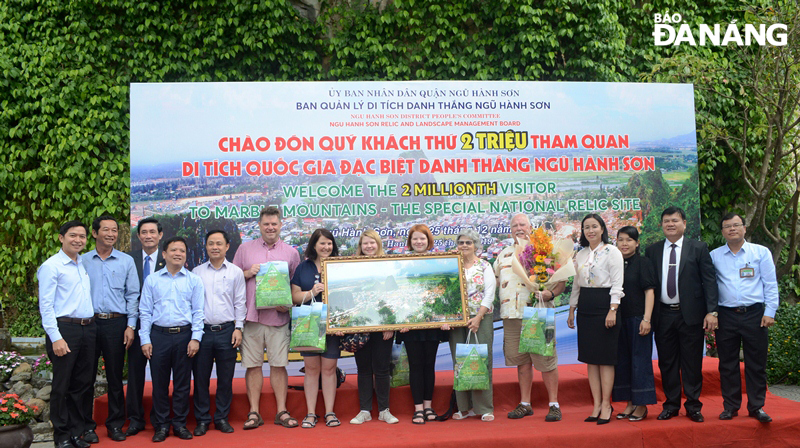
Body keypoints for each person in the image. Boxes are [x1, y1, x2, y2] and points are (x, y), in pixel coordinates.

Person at [644, 206, 718, 422]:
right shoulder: (653, 250)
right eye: (666, 220)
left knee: (692, 362)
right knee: (667, 362)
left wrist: (712, 311)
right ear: (661, 225)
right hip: (663, 315)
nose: (670, 224)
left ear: (684, 223)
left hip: (691, 316)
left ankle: (694, 406)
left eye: (675, 220)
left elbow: (709, 282)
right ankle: (671, 405)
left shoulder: (698, 248)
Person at [232, 206, 302, 430]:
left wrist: (288, 303)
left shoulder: (291, 253)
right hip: (251, 318)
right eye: (266, 224)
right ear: (259, 226)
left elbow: (295, 287)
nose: (270, 227)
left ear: (281, 225)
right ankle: (254, 412)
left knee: (279, 365)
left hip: (278, 318)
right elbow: (231, 280)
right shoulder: (244, 250)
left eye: (274, 224)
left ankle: (281, 410)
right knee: (252, 366)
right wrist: (246, 273)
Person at [493, 214, 565, 422]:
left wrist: (550, 294)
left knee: (547, 361)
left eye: (522, 224)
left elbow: (561, 282)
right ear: (510, 230)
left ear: (531, 227)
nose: (518, 228)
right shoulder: (503, 255)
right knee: (522, 362)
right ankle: (525, 404)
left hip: (538, 312)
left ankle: (554, 404)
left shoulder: (545, 251)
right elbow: (493, 284)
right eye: (514, 225)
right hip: (511, 315)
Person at [711, 212, 778, 423]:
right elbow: (709, 287)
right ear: (722, 232)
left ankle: (757, 406)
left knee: (756, 363)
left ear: (744, 228)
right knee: (727, 364)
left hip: (755, 315)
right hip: (726, 316)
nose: (732, 229)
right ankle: (730, 407)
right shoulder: (714, 256)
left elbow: (770, 283)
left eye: (736, 225)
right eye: (727, 226)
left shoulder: (760, 252)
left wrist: (770, 312)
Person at [139, 236, 205, 442]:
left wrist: (196, 338)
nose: (178, 254)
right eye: (174, 250)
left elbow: (198, 312)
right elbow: (145, 312)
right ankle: (161, 425)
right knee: (159, 384)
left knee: (182, 384)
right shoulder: (152, 280)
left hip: (185, 336)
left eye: (182, 251)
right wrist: (145, 339)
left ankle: (179, 424)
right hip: (158, 336)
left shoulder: (194, 280)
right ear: (164, 254)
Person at [39, 220, 97, 448]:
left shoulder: (81, 264)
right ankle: (61, 436)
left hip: (87, 328)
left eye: (82, 237)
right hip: (65, 330)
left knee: (81, 384)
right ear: (61, 238)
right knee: (62, 387)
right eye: (73, 235)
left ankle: (76, 432)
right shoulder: (51, 266)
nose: (78, 240)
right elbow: (46, 306)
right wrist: (56, 337)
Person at [82, 215, 140, 442]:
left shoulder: (126, 261)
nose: (111, 234)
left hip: (117, 323)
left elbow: (133, 295)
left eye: (114, 230)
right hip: (88, 324)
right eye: (105, 230)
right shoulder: (82, 261)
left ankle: (115, 425)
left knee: (115, 377)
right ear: (95, 233)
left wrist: (130, 325)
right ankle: (86, 427)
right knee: (85, 377)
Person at [566, 214, 624, 425]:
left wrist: (613, 309)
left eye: (594, 227)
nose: (590, 231)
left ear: (602, 229)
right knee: (591, 358)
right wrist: (572, 309)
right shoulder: (580, 254)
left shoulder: (613, 252)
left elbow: (618, 284)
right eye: (586, 227)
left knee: (605, 359)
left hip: (605, 305)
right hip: (586, 307)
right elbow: (576, 285)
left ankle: (607, 405)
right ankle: (596, 404)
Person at [191, 230, 246, 435]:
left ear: (227, 246)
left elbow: (240, 302)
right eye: (211, 243)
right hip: (202, 332)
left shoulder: (235, 272)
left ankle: (222, 417)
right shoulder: (196, 272)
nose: (215, 247)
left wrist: (238, 328)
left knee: (225, 378)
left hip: (227, 331)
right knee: (201, 378)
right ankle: (203, 419)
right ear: (206, 246)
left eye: (219, 244)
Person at [395, 224, 450, 424]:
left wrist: (446, 319)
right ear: (410, 242)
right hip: (409, 324)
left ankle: (428, 407)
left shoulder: (438, 263)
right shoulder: (402, 264)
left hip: (432, 323)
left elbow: (444, 291)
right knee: (416, 365)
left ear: (429, 241)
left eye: (423, 239)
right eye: (415, 239)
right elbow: (397, 294)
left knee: (429, 365)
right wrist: (401, 320)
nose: (419, 242)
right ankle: (418, 409)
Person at [291, 228, 344, 428]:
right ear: (314, 245)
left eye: (329, 243)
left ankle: (330, 412)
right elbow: (294, 297)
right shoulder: (303, 268)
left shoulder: (339, 265)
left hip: (332, 323)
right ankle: (311, 413)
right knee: (312, 369)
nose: (326, 247)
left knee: (329, 369)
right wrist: (311, 292)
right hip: (310, 323)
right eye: (322, 243)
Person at [349, 229, 399, 425]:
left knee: (382, 369)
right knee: (363, 369)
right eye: (365, 244)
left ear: (378, 244)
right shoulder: (352, 267)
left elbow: (395, 299)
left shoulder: (388, 267)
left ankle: (384, 410)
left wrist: (390, 324)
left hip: (383, 327)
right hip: (360, 326)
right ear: (360, 247)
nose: (369, 246)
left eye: (372, 243)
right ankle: (365, 411)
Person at [448, 228, 496, 422]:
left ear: (476, 245)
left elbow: (490, 294)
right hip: (456, 321)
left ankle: (484, 408)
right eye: (461, 242)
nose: (465, 246)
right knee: (460, 363)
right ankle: (463, 407)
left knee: (481, 361)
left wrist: (478, 317)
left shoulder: (484, 266)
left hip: (481, 319)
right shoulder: (452, 266)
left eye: (469, 242)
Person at [611, 226, 657, 421]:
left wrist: (647, 319)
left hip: (638, 318)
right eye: (620, 240)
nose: (624, 243)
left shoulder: (643, 263)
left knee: (640, 361)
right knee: (623, 362)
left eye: (629, 240)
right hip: (619, 319)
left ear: (637, 243)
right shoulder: (615, 263)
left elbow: (650, 291)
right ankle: (629, 403)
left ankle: (642, 405)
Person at [126, 217, 165, 436]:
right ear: (138, 236)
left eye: (153, 232)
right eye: (144, 232)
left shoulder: (168, 258)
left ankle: (161, 419)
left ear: (160, 235)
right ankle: (135, 418)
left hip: (161, 325)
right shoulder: (128, 260)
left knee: (161, 373)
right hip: (136, 323)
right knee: (135, 372)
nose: (148, 235)